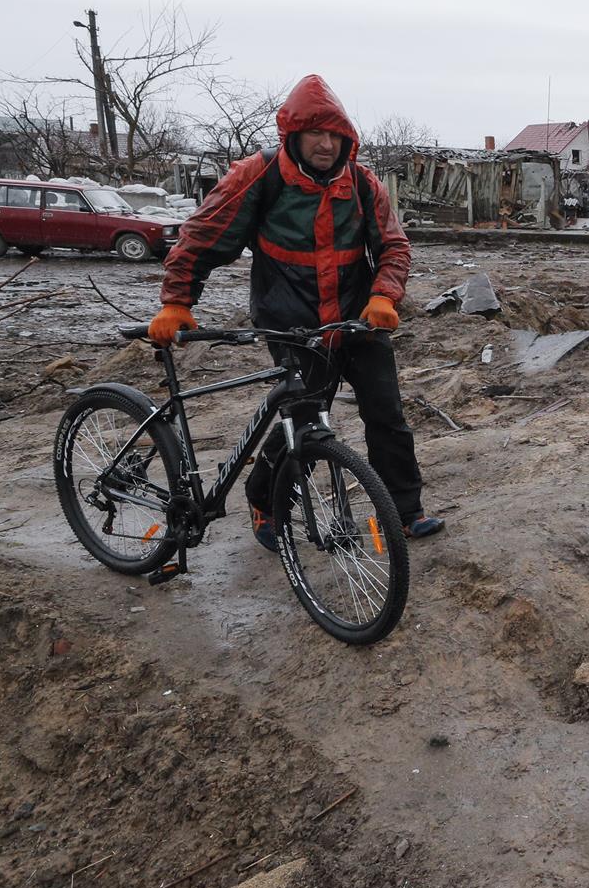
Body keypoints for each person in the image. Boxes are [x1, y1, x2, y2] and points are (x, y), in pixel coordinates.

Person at [147, 74, 444, 547]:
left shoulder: (363, 184)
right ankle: (266, 503)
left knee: (387, 417)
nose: (326, 145)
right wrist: (177, 302)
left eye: (335, 136)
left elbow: (393, 245)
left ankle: (405, 512)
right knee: (304, 422)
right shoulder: (258, 175)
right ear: (293, 135)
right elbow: (200, 238)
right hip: (292, 323)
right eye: (316, 134)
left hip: (357, 320)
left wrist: (384, 294)